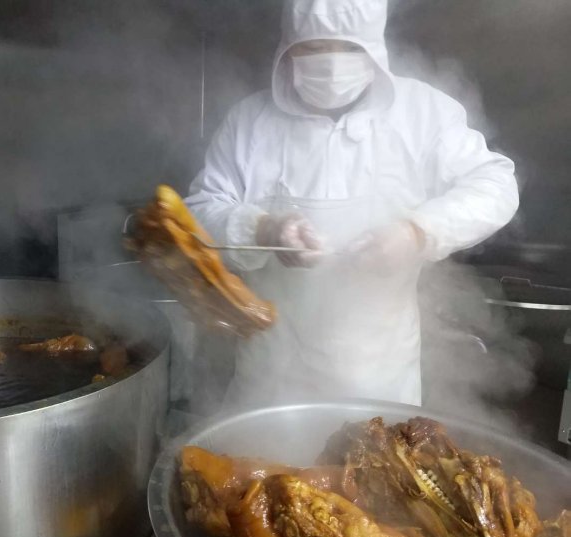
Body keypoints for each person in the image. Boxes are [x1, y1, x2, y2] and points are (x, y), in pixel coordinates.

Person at [185, 0, 519, 408]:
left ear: (374, 49)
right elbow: (199, 211)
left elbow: (496, 185)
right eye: (314, 48)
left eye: (348, 47)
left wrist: (417, 232)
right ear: (288, 48)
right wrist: (261, 229)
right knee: (256, 451)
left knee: (379, 450)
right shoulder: (251, 122)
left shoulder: (423, 113)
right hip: (270, 375)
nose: (331, 63)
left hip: (379, 378)